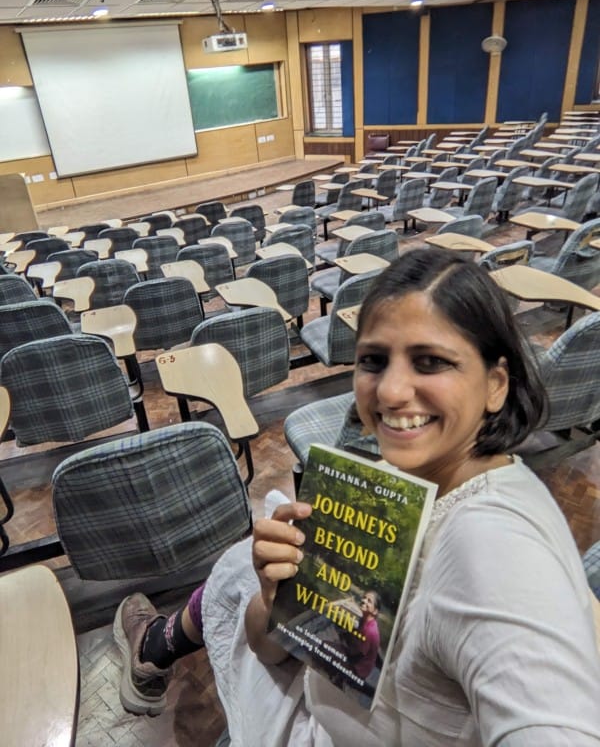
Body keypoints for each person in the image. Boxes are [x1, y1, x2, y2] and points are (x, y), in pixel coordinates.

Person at [114, 248, 600, 744]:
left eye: (430, 361)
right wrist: (274, 597)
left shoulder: (493, 549)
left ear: (497, 383)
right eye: (373, 360)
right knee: (247, 561)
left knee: (231, 568)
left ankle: (155, 647)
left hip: (321, 728)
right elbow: (272, 643)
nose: (389, 392)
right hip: (334, 690)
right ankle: (157, 646)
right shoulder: (400, 483)